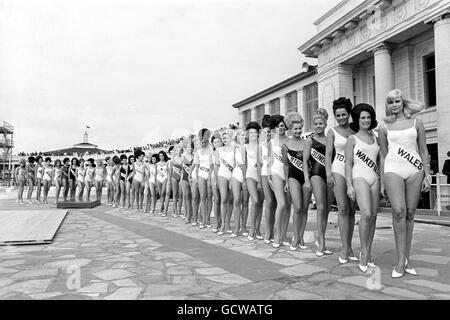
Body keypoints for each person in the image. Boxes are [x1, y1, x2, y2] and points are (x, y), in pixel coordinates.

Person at [378, 89, 430, 278]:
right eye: (390, 102)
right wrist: (383, 181)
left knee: (410, 212)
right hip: (393, 168)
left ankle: (406, 258)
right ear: (388, 105)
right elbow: (383, 155)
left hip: (415, 168)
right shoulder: (383, 126)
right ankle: (400, 260)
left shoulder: (417, 123)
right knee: (398, 211)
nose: (394, 105)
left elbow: (424, 151)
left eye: (397, 101)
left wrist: (427, 174)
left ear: (402, 103)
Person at [345, 103, 380, 272]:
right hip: (359, 176)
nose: (366, 120)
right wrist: (349, 185)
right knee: (365, 213)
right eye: (362, 117)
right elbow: (348, 163)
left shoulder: (376, 137)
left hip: (375, 178)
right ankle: (363, 252)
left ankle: (369, 251)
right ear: (357, 120)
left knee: (373, 216)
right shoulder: (352, 139)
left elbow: (380, 160)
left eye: (368, 117)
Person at [325, 97, 358, 264]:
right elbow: (328, 154)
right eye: (338, 115)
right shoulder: (332, 131)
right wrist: (328, 173)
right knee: (343, 208)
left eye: (344, 114)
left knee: (352, 210)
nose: (341, 118)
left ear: (349, 114)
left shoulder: (355, 131)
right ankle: (345, 248)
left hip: (354, 171)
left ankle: (350, 246)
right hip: (338, 169)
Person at [304, 109, 334, 256]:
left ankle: (321, 237)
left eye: (320, 123)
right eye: (315, 123)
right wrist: (306, 180)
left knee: (327, 208)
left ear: (325, 123)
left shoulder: (330, 138)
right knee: (321, 207)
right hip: (315, 174)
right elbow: (304, 162)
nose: (318, 126)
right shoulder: (310, 140)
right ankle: (321, 242)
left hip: (329, 175)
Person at [282, 112, 310, 250]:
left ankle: (301, 237)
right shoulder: (285, 145)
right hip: (293, 177)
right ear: (290, 129)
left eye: (300, 128)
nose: (298, 131)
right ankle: (295, 236)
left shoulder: (307, 143)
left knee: (305, 208)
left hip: (306, 177)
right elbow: (286, 165)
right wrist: (286, 182)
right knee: (298, 207)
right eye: (295, 129)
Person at [268, 115, 292, 248]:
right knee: (281, 203)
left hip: (289, 174)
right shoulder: (271, 142)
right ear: (274, 128)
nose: (280, 128)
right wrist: (268, 176)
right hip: (276, 172)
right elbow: (270, 160)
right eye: (277, 126)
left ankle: (283, 235)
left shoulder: (290, 140)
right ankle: (276, 234)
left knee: (288, 205)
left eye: (282, 125)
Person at [244, 122, 264, 241]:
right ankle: (252, 228)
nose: (253, 134)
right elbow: (245, 164)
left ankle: (257, 229)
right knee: (255, 200)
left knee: (260, 203)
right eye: (250, 132)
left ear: (258, 133)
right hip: (250, 175)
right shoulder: (245, 147)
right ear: (248, 133)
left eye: (255, 132)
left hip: (261, 175)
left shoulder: (262, 146)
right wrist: (244, 180)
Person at [230, 129, 250, 236]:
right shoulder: (235, 148)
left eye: (245, 135)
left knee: (245, 201)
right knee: (236, 200)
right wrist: (230, 179)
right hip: (236, 174)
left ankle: (244, 227)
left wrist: (246, 179)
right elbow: (234, 163)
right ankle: (236, 228)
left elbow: (246, 163)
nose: (244, 137)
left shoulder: (248, 148)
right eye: (241, 135)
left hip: (246, 174)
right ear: (237, 137)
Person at [215, 129, 235, 235]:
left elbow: (236, 163)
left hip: (233, 175)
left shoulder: (235, 149)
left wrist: (233, 177)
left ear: (231, 137)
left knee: (231, 200)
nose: (225, 139)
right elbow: (217, 165)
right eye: (223, 138)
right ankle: (222, 224)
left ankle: (228, 223)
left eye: (227, 137)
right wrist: (215, 179)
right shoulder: (219, 150)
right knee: (224, 198)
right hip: (222, 175)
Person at [260, 115, 276, 244]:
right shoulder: (260, 146)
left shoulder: (275, 143)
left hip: (276, 174)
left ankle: (275, 230)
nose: (268, 134)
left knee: (276, 203)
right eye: (265, 132)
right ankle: (268, 230)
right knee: (269, 201)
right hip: (265, 174)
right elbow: (260, 163)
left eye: (269, 131)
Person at [194, 128, 214, 229]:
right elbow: (197, 166)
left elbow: (212, 166)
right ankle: (202, 220)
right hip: (201, 173)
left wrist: (210, 178)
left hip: (209, 173)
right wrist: (197, 178)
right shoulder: (198, 151)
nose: (204, 141)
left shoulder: (212, 149)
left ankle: (208, 219)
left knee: (209, 197)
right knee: (202, 196)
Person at [211, 133, 224, 231]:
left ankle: (224, 222)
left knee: (224, 200)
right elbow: (213, 167)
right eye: (215, 142)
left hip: (224, 177)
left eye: (218, 142)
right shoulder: (212, 153)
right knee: (217, 200)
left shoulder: (226, 151)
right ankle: (217, 222)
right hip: (214, 177)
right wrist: (214, 180)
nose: (217, 144)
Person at [181, 138, 194, 223]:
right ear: (185, 147)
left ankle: (193, 215)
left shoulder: (195, 156)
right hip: (184, 178)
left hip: (192, 178)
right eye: (188, 147)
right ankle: (188, 215)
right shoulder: (183, 155)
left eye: (191, 147)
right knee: (186, 196)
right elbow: (182, 168)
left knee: (193, 197)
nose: (189, 148)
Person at [169, 145, 183, 217]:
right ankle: (175, 211)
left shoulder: (183, 158)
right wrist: (169, 180)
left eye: (180, 150)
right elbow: (170, 170)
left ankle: (179, 211)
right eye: (177, 150)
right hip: (174, 176)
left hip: (181, 176)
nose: (179, 152)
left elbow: (183, 169)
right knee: (175, 194)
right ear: (175, 151)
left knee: (180, 194)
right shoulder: (173, 159)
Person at [156, 151, 169, 215]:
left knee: (163, 192)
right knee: (160, 193)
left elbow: (168, 172)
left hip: (165, 178)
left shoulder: (167, 163)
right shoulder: (157, 163)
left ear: (164, 156)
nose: (161, 157)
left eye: (162, 155)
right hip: (158, 178)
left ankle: (162, 208)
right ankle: (162, 207)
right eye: (160, 156)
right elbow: (156, 172)